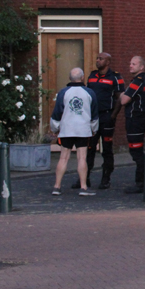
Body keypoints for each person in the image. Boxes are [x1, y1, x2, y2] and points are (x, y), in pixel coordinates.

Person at [71, 52, 124, 190]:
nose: (97, 60)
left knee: (107, 149)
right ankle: (84, 178)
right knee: (89, 148)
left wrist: (113, 115)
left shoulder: (115, 77)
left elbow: (120, 98)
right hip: (92, 118)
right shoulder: (92, 76)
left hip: (107, 116)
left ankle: (106, 178)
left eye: (101, 59)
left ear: (108, 62)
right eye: (97, 58)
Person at [50, 67, 99, 196]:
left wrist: (55, 128)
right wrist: (94, 129)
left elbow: (56, 113)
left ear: (69, 78)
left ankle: (57, 186)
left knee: (63, 157)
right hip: (83, 129)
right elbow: (94, 115)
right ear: (82, 78)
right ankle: (83, 187)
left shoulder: (63, 93)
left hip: (67, 129)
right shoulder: (90, 93)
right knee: (82, 157)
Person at [121, 55, 145, 194]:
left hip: (135, 120)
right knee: (137, 151)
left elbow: (124, 100)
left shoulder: (137, 82)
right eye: (130, 63)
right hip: (138, 119)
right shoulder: (141, 81)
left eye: (134, 64)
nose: (130, 65)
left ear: (141, 67)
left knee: (137, 152)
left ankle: (141, 183)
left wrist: (122, 94)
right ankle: (144, 181)